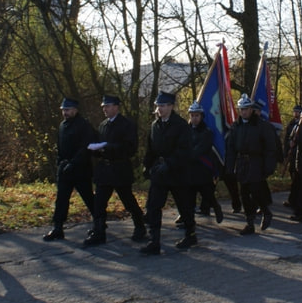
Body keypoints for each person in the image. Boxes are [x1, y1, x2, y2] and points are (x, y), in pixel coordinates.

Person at [83, 95, 147, 247]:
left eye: (108, 106)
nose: (105, 109)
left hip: (119, 168)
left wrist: (109, 147)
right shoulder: (103, 125)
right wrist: (95, 150)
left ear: (116, 107)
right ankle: (99, 231)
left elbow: (131, 148)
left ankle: (140, 226)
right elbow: (99, 144)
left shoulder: (126, 125)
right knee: (99, 203)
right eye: (104, 106)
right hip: (104, 169)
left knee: (128, 200)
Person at [141, 91, 194, 255]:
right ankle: (154, 241)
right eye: (158, 106)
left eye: (163, 106)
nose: (160, 109)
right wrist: (147, 165)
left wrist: (170, 163)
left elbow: (185, 150)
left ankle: (190, 234)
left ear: (171, 106)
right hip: (159, 172)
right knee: (153, 206)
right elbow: (150, 148)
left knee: (183, 206)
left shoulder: (181, 125)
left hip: (177, 173)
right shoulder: (155, 125)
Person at [43, 97, 97, 242]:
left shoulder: (84, 125)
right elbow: (60, 147)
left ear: (75, 110)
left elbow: (86, 147)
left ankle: (99, 223)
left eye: (67, 110)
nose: (65, 113)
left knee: (88, 198)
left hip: (80, 170)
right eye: (63, 110)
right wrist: (60, 162)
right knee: (61, 200)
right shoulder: (62, 126)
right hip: (65, 169)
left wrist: (74, 163)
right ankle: (58, 228)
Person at [224, 94, 277, 235]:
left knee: (256, 191)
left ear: (251, 109)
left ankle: (266, 211)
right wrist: (229, 166)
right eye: (241, 109)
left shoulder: (261, 125)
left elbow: (270, 148)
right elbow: (231, 148)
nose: (244, 112)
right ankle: (249, 223)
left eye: (246, 109)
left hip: (256, 162)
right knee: (244, 194)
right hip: (242, 163)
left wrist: (269, 166)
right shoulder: (236, 126)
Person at [186, 101, 224, 224]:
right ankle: (188, 220)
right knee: (189, 196)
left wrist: (188, 154)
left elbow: (201, 148)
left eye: (197, 115)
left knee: (207, 193)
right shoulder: (186, 131)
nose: (194, 118)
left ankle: (216, 208)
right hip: (189, 168)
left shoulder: (207, 132)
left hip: (203, 167)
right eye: (192, 115)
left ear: (201, 116)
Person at [282, 105, 302, 209]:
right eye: (294, 111)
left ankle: (296, 199)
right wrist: (285, 152)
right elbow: (287, 138)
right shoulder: (291, 124)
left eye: (298, 112)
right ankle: (294, 198)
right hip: (292, 155)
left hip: (300, 155)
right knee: (293, 175)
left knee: (298, 179)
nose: (296, 113)